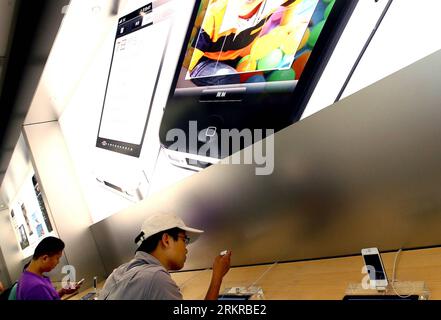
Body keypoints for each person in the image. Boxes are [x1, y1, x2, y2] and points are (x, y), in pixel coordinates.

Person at [98, 212, 231, 300]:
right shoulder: (156, 277)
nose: (186, 248)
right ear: (166, 240)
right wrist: (217, 276)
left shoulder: (118, 272)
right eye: (184, 240)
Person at [16, 236, 81, 300]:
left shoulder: (26, 276)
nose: (58, 262)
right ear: (45, 258)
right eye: (57, 258)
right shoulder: (37, 287)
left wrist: (63, 291)